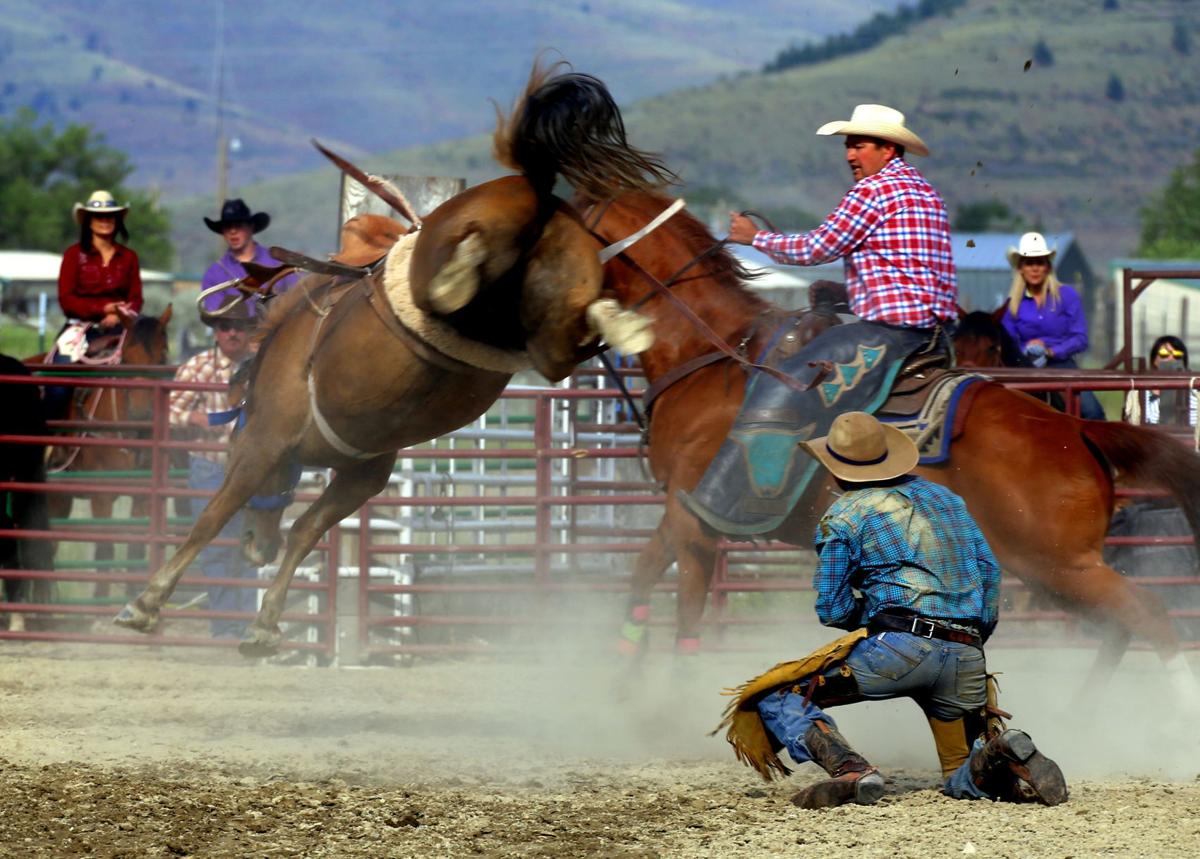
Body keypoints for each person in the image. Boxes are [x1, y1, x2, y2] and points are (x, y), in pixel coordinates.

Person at [716, 412, 1067, 809]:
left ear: (834, 470)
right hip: (967, 652)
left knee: (778, 696)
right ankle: (1000, 749)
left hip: (896, 649)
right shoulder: (947, 499)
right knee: (961, 776)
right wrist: (971, 638)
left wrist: (876, 622)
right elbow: (988, 572)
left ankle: (852, 770)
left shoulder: (843, 516)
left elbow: (831, 606)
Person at [683, 104, 957, 535]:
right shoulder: (923, 191)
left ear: (888, 149)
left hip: (887, 335)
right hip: (932, 335)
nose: (850, 154)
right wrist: (849, 294)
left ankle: (726, 502)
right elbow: (910, 278)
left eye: (859, 144)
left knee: (785, 378)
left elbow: (818, 247)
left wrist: (756, 240)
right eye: (848, 145)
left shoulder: (872, 192)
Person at [168, 294, 258, 638]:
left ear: (249, 331)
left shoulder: (262, 364)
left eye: (239, 326)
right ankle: (225, 627)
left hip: (249, 469)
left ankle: (245, 624)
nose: (232, 333)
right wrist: (197, 417)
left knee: (248, 545)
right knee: (217, 547)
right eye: (225, 326)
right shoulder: (198, 366)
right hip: (210, 466)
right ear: (216, 332)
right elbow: (171, 410)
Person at [46, 190, 145, 419]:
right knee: (57, 384)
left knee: (146, 374)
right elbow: (67, 299)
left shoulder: (129, 257)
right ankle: (52, 437)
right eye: (99, 216)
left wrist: (120, 316)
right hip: (79, 330)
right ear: (89, 221)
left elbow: (136, 298)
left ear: (117, 220)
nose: (105, 221)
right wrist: (102, 311)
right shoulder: (74, 255)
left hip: (121, 329)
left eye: (110, 216)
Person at [1000, 232, 1105, 420]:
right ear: (1020, 268)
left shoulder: (1067, 295)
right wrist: (1026, 350)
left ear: (1048, 267)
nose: (1035, 268)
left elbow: (1080, 338)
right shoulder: (1012, 305)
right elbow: (1008, 340)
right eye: (1029, 263)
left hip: (1061, 366)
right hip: (1024, 369)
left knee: (1092, 412)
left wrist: (1050, 352)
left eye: (1040, 262)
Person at [200, 198, 296, 319]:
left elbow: (298, 298)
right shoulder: (214, 275)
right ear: (222, 232)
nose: (233, 231)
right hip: (235, 333)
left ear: (251, 227)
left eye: (238, 225)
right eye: (227, 226)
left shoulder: (277, 262)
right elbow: (219, 318)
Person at [1124, 335, 1196, 427]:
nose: (1171, 358)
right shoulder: (1140, 393)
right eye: (1164, 354)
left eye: (1177, 355)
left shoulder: (1195, 393)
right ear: (1154, 359)